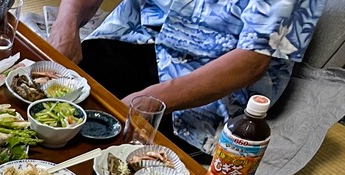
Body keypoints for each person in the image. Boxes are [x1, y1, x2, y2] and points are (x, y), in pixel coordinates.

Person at [47, 0, 327, 156]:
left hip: (210, 80)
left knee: (117, 152)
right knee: (52, 94)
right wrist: (66, 24)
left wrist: (151, 101)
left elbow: (250, 63)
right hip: (137, 37)